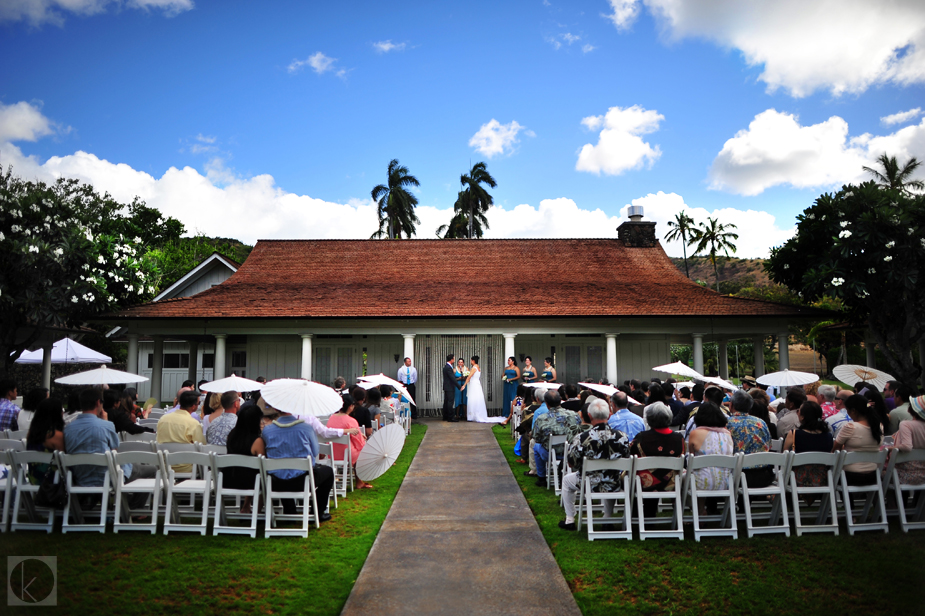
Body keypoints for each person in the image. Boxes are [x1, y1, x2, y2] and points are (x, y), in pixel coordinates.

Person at [64, 388, 157, 504]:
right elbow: (114, 450)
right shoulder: (106, 425)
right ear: (98, 403)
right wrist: (106, 421)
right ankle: (134, 508)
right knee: (153, 470)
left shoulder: (68, 429)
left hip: (80, 478)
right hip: (108, 477)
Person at [558, 399, 631, 531]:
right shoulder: (622, 437)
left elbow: (571, 462)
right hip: (613, 483)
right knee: (610, 476)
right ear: (609, 415)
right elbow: (626, 458)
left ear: (590, 416)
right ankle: (607, 518)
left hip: (588, 483)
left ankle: (570, 519)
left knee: (566, 480)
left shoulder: (582, 438)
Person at [262, 403, 335, 519]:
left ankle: (289, 510)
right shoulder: (306, 428)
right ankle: (317, 512)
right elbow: (315, 451)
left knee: (282, 471)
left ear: (276, 408)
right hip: (303, 480)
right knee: (329, 472)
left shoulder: (267, 430)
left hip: (276, 483)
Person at [630, 402, 684, 518]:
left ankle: (636, 512)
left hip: (645, 482)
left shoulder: (641, 437)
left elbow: (632, 455)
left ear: (649, 419)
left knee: (629, 475)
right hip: (671, 482)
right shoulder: (679, 438)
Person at [687, 402, 734, 511]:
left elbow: (691, 459)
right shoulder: (727, 434)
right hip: (725, 482)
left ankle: (699, 511)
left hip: (701, 483)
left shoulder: (696, 433)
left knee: (682, 479)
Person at [223, 404, 267, 514]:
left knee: (251, 472)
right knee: (264, 476)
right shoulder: (257, 441)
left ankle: (246, 506)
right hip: (250, 482)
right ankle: (257, 511)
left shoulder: (231, 435)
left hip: (228, 479)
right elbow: (263, 466)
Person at [833, 394, 884, 486]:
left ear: (853, 411)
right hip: (873, 475)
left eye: (847, 411)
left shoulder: (850, 427)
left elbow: (835, 450)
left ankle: (847, 500)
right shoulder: (879, 426)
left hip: (850, 475)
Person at [726, 390, 773, 488]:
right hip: (763, 476)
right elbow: (769, 445)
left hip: (737, 476)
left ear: (731, 405)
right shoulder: (761, 423)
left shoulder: (727, 423)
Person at [532, 390, 580, 487]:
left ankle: (541, 477)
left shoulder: (541, 418)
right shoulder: (574, 415)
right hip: (571, 452)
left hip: (549, 453)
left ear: (547, 403)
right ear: (560, 401)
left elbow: (536, 437)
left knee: (536, 446)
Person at [782, 401, 834, 488]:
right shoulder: (828, 436)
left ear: (802, 417)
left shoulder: (794, 434)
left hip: (797, 481)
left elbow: (785, 456)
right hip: (822, 481)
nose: (797, 412)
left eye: (799, 411)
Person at [326, 394, 372, 489]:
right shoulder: (350, 421)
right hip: (345, 454)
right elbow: (359, 442)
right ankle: (359, 481)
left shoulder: (331, 418)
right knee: (361, 450)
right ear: (351, 406)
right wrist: (363, 440)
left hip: (331, 452)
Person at [156, 390, 206, 473]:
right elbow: (202, 448)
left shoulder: (163, 419)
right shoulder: (193, 423)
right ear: (194, 406)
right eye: (199, 403)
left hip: (164, 465)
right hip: (188, 467)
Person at [25, 397, 66, 483]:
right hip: (53, 482)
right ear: (56, 414)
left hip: (34, 479)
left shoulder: (31, 434)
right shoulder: (56, 435)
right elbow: (64, 460)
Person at [891, 394, 925, 485]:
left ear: (910, 410)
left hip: (906, 474)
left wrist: (891, 447)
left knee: (883, 475)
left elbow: (907, 446)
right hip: (923, 474)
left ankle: (895, 499)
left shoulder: (906, 425)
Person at [461, 356, 506, 423]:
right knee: (477, 399)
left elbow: (469, 377)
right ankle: (475, 414)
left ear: (473, 361)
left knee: (473, 399)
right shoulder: (478, 367)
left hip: (474, 384)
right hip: (477, 384)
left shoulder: (474, 368)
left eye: (471, 360)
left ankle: (474, 415)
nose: (470, 361)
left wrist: (464, 385)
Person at [442, 354, 461, 422]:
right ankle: (450, 417)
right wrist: (459, 387)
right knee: (450, 402)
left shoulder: (446, 367)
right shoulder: (448, 368)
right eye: (454, 358)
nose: (454, 360)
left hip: (446, 387)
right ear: (452, 359)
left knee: (446, 401)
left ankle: (445, 416)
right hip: (449, 387)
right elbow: (452, 379)